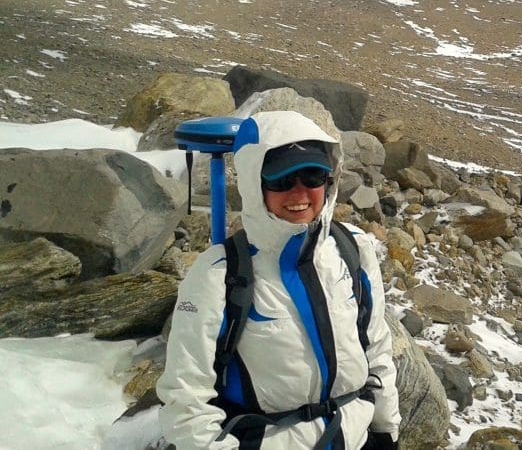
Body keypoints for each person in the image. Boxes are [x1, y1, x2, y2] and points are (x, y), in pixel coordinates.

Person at [158, 110, 400, 449]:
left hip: (357, 439)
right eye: (281, 180)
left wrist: (386, 431)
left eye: (313, 176)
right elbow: (186, 399)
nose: (299, 193)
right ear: (255, 186)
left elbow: (376, 350)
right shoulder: (219, 274)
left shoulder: (352, 250)